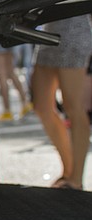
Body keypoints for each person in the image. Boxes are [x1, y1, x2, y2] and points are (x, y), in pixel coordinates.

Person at [31, 14, 92, 190]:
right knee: (41, 107)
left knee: (73, 108)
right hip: (48, 35)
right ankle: (68, 170)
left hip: (73, 34)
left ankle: (76, 179)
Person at [0, 36, 33, 121]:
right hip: (7, 36)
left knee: (2, 76)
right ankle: (25, 102)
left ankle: (7, 110)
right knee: (11, 72)